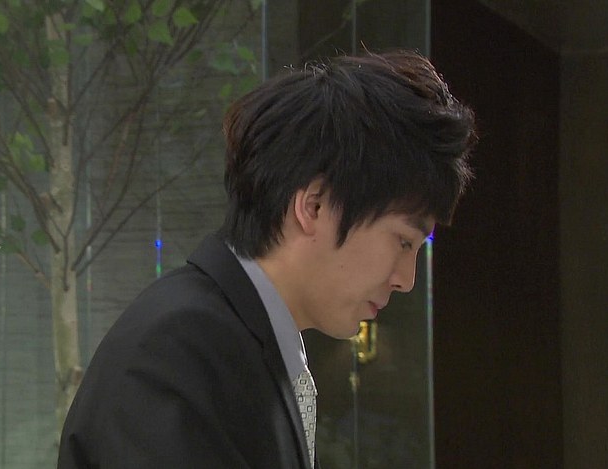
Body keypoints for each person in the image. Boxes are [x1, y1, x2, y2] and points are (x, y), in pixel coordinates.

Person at [57, 49, 476, 469]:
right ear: (314, 206)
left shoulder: (238, 340)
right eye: (403, 242)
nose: (406, 279)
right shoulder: (176, 355)